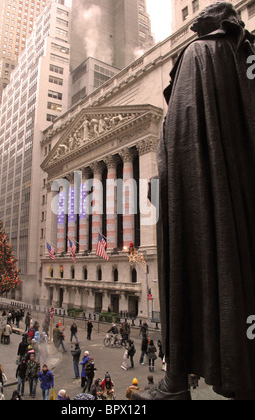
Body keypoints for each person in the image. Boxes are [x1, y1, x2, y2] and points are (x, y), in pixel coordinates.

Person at [155, 2, 255, 401]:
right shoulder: (240, 53)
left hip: (198, 198)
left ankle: (178, 377)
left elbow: (176, 139)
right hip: (235, 192)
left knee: (195, 268)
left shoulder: (198, 54)